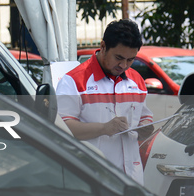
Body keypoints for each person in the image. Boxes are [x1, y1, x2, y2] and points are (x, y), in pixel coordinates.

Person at [56, 19, 154, 185]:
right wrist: (103, 128)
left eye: (131, 60)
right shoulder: (73, 81)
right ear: (103, 47)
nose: (123, 65)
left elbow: (145, 116)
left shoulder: (136, 81)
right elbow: (61, 128)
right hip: (92, 179)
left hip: (132, 179)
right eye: (119, 58)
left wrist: (145, 127)